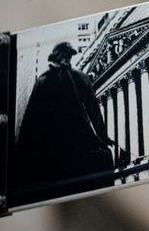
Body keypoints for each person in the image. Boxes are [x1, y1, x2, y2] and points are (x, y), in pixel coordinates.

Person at [14, 42, 120, 204]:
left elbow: (93, 112)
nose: (67, 59)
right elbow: (31, 119)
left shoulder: (53, 80)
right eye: (66, 55)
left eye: (69, 56)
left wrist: (103, 137)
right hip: (68, 143)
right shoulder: (55, 80)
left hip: (66, 144)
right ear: (60, 56)